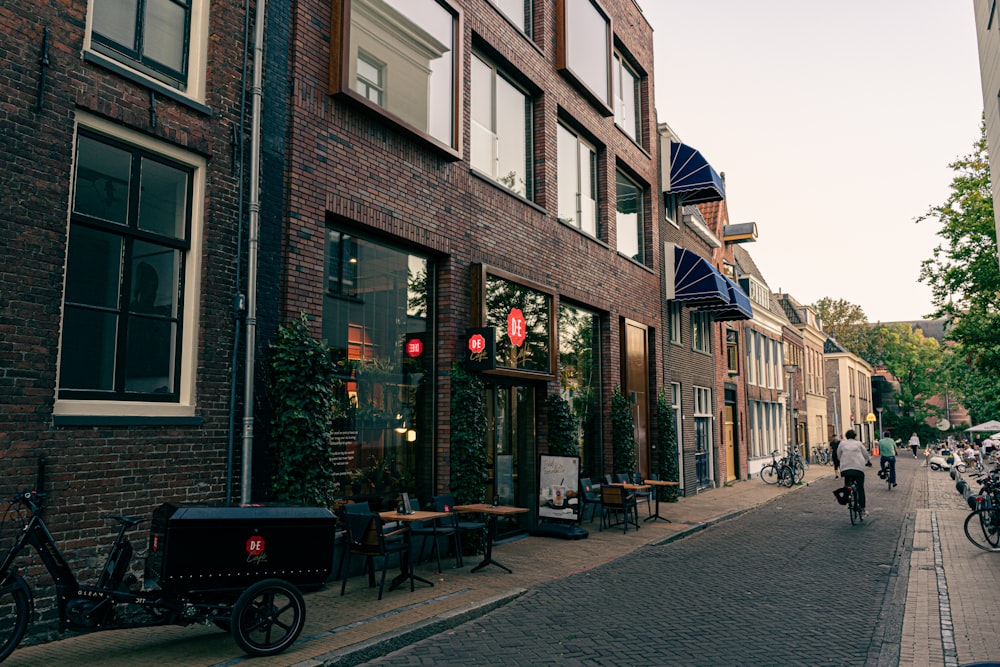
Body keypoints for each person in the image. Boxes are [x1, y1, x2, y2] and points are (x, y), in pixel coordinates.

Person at [838, 430, 872, 514]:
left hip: (846, 469)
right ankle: (863, 508)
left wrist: (842, 461)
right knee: (860, 487)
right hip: (858, 468)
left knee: (847, 485)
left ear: (846, 436)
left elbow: (838, 455)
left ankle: (848, 497)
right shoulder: (859, 443)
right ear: (855, 436)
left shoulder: (842, 444)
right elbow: (866, 454)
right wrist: (868, 460)